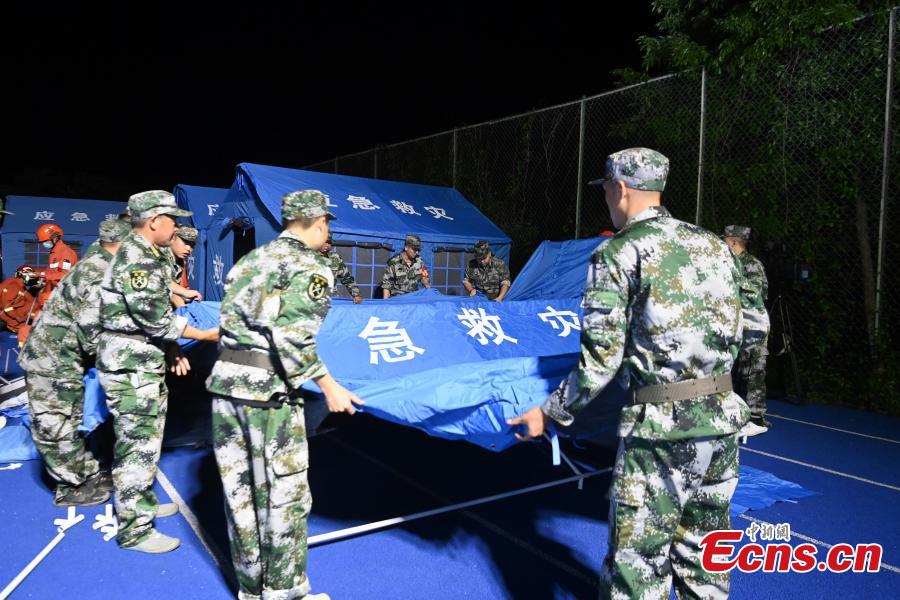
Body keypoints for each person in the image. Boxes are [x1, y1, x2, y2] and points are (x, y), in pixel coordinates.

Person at [508, 148, 769, 599]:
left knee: (637, 568)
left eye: (607, 190)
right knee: (704, 561)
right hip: (723, 420)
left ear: (620, 188)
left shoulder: (618, 251)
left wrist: (548, 413)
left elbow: (600, 361)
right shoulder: (715, 247)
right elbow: (756, 328)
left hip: (661, 432)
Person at [206, 190, 362, 600]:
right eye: (326, 223)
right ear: (319, 222)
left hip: (226, 388)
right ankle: (285, 593)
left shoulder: (251, 260)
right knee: (284, 496)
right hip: (268, 395)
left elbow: (229, 324)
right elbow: (292, 335)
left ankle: (251, 590)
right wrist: (327, 384)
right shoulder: (309, 266)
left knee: (241, 497)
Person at [97, 190, 219, 554]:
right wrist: (204, 335)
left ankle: (142, 503)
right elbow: (155, 320)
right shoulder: (138, 259)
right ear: (154, 221)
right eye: (173, 220)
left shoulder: (146, 254)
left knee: (148, 441)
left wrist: (173, 348)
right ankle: (134, 529)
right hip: (131, 367)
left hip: (142, 362)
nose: (176, 227)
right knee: (136, 445)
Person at [19, 220, 131, 507]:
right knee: (54, 424)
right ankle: (71, 486)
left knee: (69, 418)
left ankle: (86, 474)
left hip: (64, 355)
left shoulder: (97, 257)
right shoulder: (99, 271)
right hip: (51, 356)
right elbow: (92, 333)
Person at [723, 224, 771, 436]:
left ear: (733, 241)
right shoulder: (729, 262)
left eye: (725, 240)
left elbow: (757, 295)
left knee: (754, 369)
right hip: (734, 322)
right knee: (734, 369)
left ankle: (756, 418)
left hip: (752, 324)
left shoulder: (752, 264)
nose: (723, 243)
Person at [34, 223, 78, 303]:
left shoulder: (66, 252)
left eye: (46, 241)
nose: (44, 244)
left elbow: (65, 275)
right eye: (43, 242)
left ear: (55, 238)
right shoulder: (54, 253)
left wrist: (41, 275)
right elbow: (50, 272)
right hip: (55, 290)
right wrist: (41, 279)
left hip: (64, 294)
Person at [382, 234, 430, 298]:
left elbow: (424, 276)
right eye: (414, 250)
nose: (417, 252)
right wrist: (385, 302)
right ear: (406, 247)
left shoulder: (419, 260)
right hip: (398, 299)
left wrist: (427, 285)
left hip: (413, 298)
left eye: (418, 250)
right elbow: (387, 285)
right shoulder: (393, 262)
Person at [320, 232, 362, 303]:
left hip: (332, 300)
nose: (327, 245)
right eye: (324, 242)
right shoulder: (305, 256)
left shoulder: (335, 258)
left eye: (329, 242)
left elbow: (347, 278)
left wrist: (356, 294)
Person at [0, 266, 40, 334]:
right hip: (9, 319)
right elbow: (6, 307)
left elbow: (32, 302)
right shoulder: (13, 286)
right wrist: (17, 317)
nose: (32, 278)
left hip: (16, 318)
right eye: (31, 275)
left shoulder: (21, 287)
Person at [168, 225, 199, 308]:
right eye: (185, 242)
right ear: (173, 237)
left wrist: (184, 295)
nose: (188, 248)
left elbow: (173, 289)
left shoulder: (179, 261)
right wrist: (184, 292)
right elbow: (161, 281)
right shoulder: (160, 255)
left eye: (192, 245)